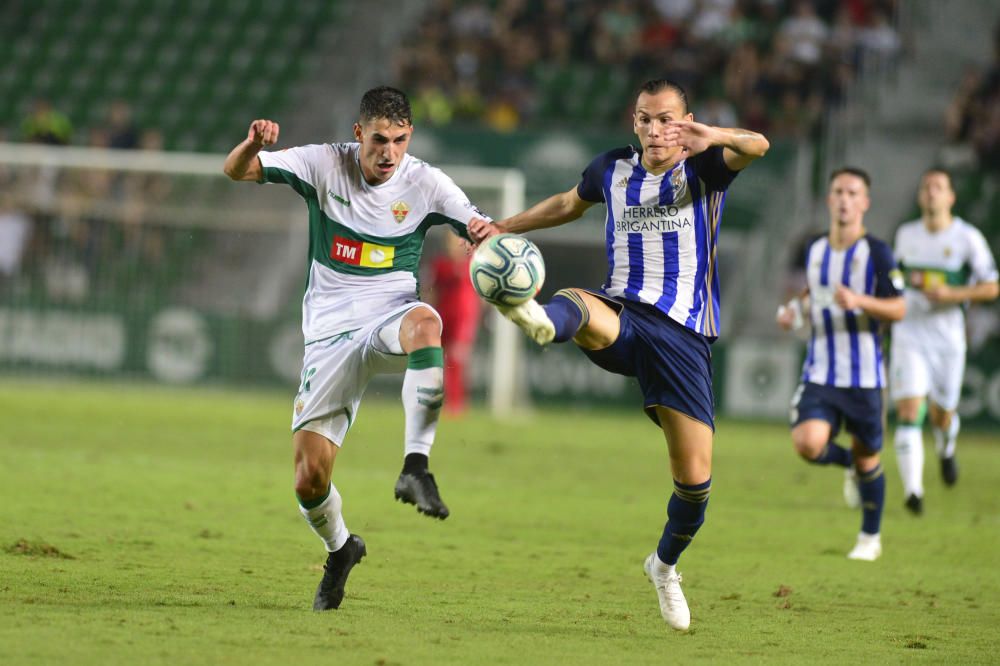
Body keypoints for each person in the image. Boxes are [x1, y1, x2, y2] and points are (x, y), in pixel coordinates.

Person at [469, 78, 769, 631]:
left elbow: (758, 146)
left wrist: (710, 135)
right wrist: (504, 226)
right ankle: (538, 320)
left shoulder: (703, 168)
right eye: (646, 119)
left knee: (695, 484)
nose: (656, 130)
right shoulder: (611, 169)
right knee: (580, 307)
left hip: (683, 336)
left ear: (685, 122)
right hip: (624, 313)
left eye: (667, 119)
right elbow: (567, 203)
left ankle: (664, 565)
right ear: (634, 123)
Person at [223, 86, 489, 611]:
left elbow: (478, 224)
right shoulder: (323, 164)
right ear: (357, 135)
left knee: (425, 325)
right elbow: (236, 171)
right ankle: (341, 549)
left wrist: (487, 235)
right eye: (378, 140)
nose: (388, 153)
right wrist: (252, 145)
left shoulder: (426, 183)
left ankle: (417, 465)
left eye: (399, 140)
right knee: (308, 479)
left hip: (389, 314)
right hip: (328, 334)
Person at [776, 167, 905, 562]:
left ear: (864, 202)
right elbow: (810, 293)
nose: (845, 199)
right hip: (821, 372)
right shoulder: (815, 250)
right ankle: (849, 465)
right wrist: (794, 312)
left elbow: (899, 307)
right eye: (838, 192)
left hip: (865, 376)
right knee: (807, 443)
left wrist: (862, 302)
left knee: (870, 458)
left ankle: (870, 538)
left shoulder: (878, 253)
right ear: (830, 200)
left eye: (853, 193)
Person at [889, 168, 999, 515]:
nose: (931, 192)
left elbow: (992, 286)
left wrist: (955, 293)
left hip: (948, 339)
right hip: (909, 333)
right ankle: (913, 492)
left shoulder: (967, 238)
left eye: (939, 187)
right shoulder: (906, 235)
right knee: (909, 411)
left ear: (951, 196)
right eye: (926, 187)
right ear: (921, 196)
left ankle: (946, 447)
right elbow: (897, 275)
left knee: (942, 415)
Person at [427, 231, 482, 416]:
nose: (452, 246)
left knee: (456, 362)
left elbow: (481, 295)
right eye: (449, 242)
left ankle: (456, 404)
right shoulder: (440, 265)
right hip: (442, 318)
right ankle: (431, 402)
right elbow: (431, 292)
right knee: (434, 361)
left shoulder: (472, 266)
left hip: (463, 320)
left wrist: (477, 317)